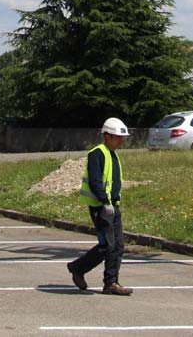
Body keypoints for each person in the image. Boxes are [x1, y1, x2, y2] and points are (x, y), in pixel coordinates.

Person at [67, 117, 133, 296]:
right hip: (101, 208)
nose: (122, 140)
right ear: (107, 136)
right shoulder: (97, 153)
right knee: (108, 246)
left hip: (112, 206)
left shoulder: (112, 154)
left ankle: (110, 282)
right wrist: (104, 201)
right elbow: (96, 181)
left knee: (117, 245)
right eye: (118, 137)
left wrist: (112, 202)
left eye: (122, 137)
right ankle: (80, 269)